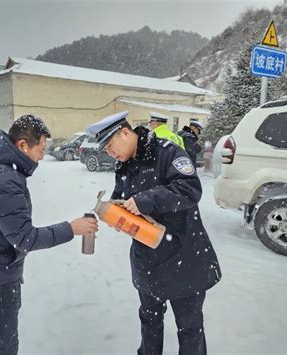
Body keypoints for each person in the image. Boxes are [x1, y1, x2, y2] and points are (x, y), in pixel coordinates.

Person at [87, 111, 221, 355]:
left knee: (189, 329)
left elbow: (189, 189)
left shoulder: (168, 152)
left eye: (109, 146)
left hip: (184, 256)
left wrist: (145, 200)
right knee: (149, 323)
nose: (109, 153)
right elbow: (124, 197)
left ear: (125, 133)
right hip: (147, 258)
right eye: (105, 150)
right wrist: (117, 214)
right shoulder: (125, 164)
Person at [0, 114, 98, 355]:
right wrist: (72, 228)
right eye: (41, 149)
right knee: (3, 345)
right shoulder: (1, 178)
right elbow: (25, 238)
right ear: (22, 145)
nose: (42, 156)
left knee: (0, 339)